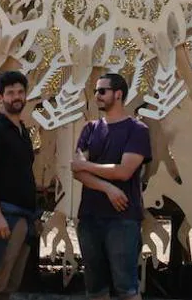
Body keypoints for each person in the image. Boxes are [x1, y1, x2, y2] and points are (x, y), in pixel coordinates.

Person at [71, 73, 152, 300]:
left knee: (126, 289)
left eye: (102, 91)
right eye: (96, 91)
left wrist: (88, 166)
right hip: (89, 218)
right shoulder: (89, 129)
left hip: (123, 219)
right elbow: (78, 171)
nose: (97, 95)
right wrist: (108, 188)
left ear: (118, 94)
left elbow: (124, 171)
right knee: (95, 290)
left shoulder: (138, 130)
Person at [0, 70, 39, 300]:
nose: (16, 97)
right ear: (0, 97)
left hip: (22, 218)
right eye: (10, 93)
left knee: (7, 288)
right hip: (1, 219)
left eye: (20, 92)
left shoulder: (22, 132)